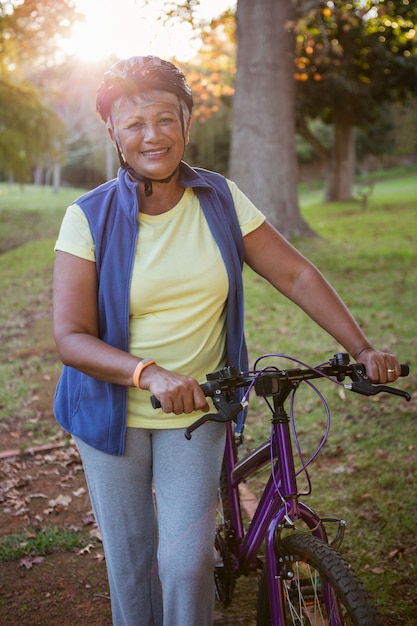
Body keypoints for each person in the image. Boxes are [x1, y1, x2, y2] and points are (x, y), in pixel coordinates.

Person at [52, 55, 401, 626]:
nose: (152, 135)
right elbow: (70, 336)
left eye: (165, 118)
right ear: (113, 133)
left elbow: (295, 275)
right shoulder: (86, 217)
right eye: (133, 123)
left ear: (188, 122)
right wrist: (150, 374)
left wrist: (361, 348)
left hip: (198, 407)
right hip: (108, 408)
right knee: (133, 564)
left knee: (186, 564)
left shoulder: (220, 199)